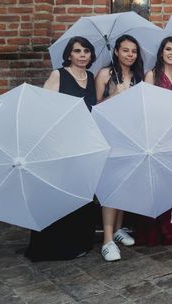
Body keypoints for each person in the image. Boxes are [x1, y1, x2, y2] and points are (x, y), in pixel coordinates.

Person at [25, 37, 99, 262]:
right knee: (59, 195)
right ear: (69, 55)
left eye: (86, 50)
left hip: (84, 142)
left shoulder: (91, 77)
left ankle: (79, 242)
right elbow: (43, 109)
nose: (83, 55)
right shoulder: (58, 75)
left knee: (80, 194)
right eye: (77, 51)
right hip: (61, 143)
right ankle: (55, 247)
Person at [134, 36, 172, 246]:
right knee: (156, 183)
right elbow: (146, 107)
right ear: (161, 52)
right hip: (157, 134)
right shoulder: (151, 75)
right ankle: (155, 231)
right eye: (168, 49)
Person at [95, 34, 145, 261]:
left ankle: (117, 229)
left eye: (133, 51)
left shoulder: (137, 76)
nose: (130, 55)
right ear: (116, 51)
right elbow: (95, 109)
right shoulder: (105, 74)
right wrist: (114, 94)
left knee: (126, 183)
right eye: (125, 50)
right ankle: (106, 240)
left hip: (131, 135)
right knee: (111, 186)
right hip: (110, 135)